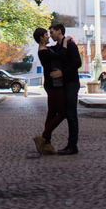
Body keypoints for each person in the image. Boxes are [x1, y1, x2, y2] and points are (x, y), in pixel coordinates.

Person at [32, 27, 67, 155]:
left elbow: (54, 50)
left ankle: (47, 144)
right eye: (46, 34)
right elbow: (60, 55)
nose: (48, 36)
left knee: (51, 113)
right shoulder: (44, 52)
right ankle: (44, 137)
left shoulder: (46, 50)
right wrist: (64, 42)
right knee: (63, 112)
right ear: (41, 38)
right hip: (53, 86)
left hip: (50, 85)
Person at [50, 23, 82, 155]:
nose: (50, 35)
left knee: (71, 114)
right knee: (66, 113)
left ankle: (72, 145)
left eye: (52, 32)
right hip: (64, 84)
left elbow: (77, 63)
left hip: (71, 83)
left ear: (59, 31)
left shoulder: (70, 44)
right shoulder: (60, 46)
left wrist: (63, 73)